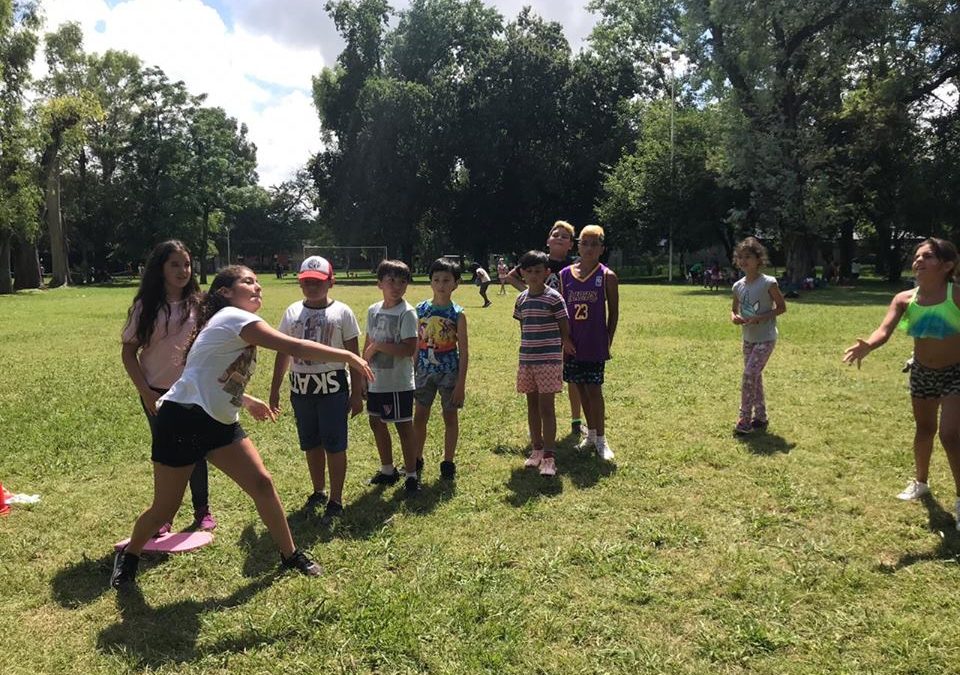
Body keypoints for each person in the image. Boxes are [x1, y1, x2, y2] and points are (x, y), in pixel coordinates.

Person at [110, 265, 374, 588]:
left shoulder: (226, 325)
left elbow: (216, 374)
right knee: (164, 509)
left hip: (220, 423)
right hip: (183, 419)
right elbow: (293, 346)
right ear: (225, 293)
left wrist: (247, 400)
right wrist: (348, 357)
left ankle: (290, 555)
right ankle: (130, 556)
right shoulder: (235, 318)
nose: (258, 287)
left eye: (258, 281)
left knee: (262, 483)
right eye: (248, 282)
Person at [843, 238, 960, 527]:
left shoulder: (956, 296)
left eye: (927, 257)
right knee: (924, 429)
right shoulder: (905, 299)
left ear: (947, 265)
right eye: (917, 256)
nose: (918, 261)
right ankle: (921, 483)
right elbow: (884, 330)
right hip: (922, 371)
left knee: (950, 434)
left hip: (956, 372)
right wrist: (867, 345)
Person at [121, 240, 215, 534]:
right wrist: (145, 392)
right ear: (160, 268)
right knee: (166, 456)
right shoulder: (145, 307)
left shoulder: (199, 304)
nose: (183, 270)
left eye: (186, 264)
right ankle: (164, 514)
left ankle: (203, 510)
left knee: (196, 452)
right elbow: (128, 352)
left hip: (192, 392)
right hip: (156, 394)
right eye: (174, 264)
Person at [268, 256, 363, 524]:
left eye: (318, 282)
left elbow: (353, 354)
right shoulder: (291, 312)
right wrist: (275, 389)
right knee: (310, 443)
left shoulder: (342, 312)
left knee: (334, 444)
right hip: (302, 389)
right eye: (306, 282)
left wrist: (357, 393)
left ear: (330, 282)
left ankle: (336, 497)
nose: (311, 287)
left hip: (332, 388)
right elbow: (283, 352)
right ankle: (318, 490)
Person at [505, 220, 585, 436]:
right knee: (543, 375)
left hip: (567, 323)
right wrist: (531, 291)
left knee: (573, 374)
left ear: (571, 244)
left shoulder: (575, 266)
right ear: (548, 239)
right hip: (542, 329)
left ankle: (576, 420)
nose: (559, 237)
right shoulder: (538, 262)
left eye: (565, 236)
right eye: (555, 234)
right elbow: (511, 276)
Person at [559, 225, 619, 461]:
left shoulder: (607, 276)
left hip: (595, 343)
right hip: (573, 344)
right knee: (581, 388)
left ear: (602, 249)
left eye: (595, 244)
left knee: (595, 390)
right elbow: (561, 311)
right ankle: (591, 435)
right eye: (585, 243)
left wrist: (607, 340)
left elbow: (613, 312)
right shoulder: (565, 275)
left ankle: (602, 440)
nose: (589, 248)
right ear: (577, 245)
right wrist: (564, 339)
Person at [514, 250, 575, 476]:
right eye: (528, 271)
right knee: (532, 405)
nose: (533, 275)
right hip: (527, 359)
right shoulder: (521, 299)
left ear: (546, 272)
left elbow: (563, 324)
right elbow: (523, 327)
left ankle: (549, 455)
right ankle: (536, 449)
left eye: (538, 271)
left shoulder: (554, 297)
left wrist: (566, 342)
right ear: (522, 273)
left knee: (547, 407)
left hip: (548, 360)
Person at [363, 260, 421, 493]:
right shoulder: (373, 310)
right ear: (380, 284)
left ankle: (411, 475)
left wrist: (378, 346)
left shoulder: (407, 312)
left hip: (398, 383)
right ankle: (388, 470)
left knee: (403, 427)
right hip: (376, 380)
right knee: (376, 422)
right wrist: (362, 374)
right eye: (391, 281)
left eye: (402, 282)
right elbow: (367, 342)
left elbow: (408, 349)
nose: (396, 286)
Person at [413, 259, 469, 480]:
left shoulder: (458, 314)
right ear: (431, 282)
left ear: (456, 284)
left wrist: (460, 384)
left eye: (446, 280)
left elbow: (464, 351)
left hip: (449, 374)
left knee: (450, 418)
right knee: (420, 417)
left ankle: (448, 462)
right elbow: (416, 344)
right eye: (436, 280)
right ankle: (416, 458)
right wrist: (412, 371)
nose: (441, 284)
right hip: (424, 372)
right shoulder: (420, 310)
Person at [731, 237, 787, 435]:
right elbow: (734, 310)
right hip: (748, 339)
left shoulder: (768, 283)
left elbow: (781, 308)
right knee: (755, 377)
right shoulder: (738, 286)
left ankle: (744, 419)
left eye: (748, 257)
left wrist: (761, 317)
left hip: (766, 337)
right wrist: (735, 317)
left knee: (749, 375)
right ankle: (760, 418)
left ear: (758, 259)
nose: (744, 261)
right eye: (740, 257)